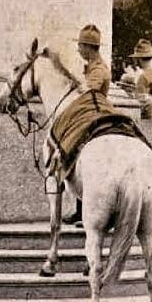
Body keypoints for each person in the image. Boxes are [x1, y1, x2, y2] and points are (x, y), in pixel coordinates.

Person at [60, 24, 112, 226]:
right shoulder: (91, 66)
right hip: (88, 115)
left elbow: (87, 93)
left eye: (81, 45)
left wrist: (64, 71)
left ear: (88, 47)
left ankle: (89, 212)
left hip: (94, 116)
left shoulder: (99, 69)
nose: (78, 49)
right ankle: (80, 210)